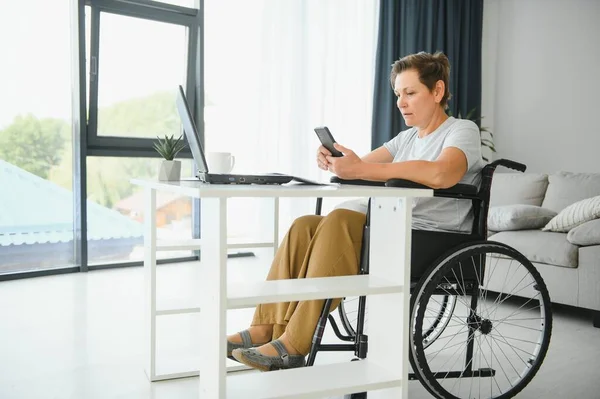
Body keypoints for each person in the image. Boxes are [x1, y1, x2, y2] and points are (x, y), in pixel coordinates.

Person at [229, 51, 485, 371]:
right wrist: (338, 161)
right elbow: (362, 168)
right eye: (397, 94)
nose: (401, 102)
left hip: (429, 237)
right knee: (304, 225)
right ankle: (264, 327)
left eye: (410, 93)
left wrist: (360, 168)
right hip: (390, 228)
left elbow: (441, 174)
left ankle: (294, 344)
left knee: (341, 219)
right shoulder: (405, 139)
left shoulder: (461, 130)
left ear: (437, 92)